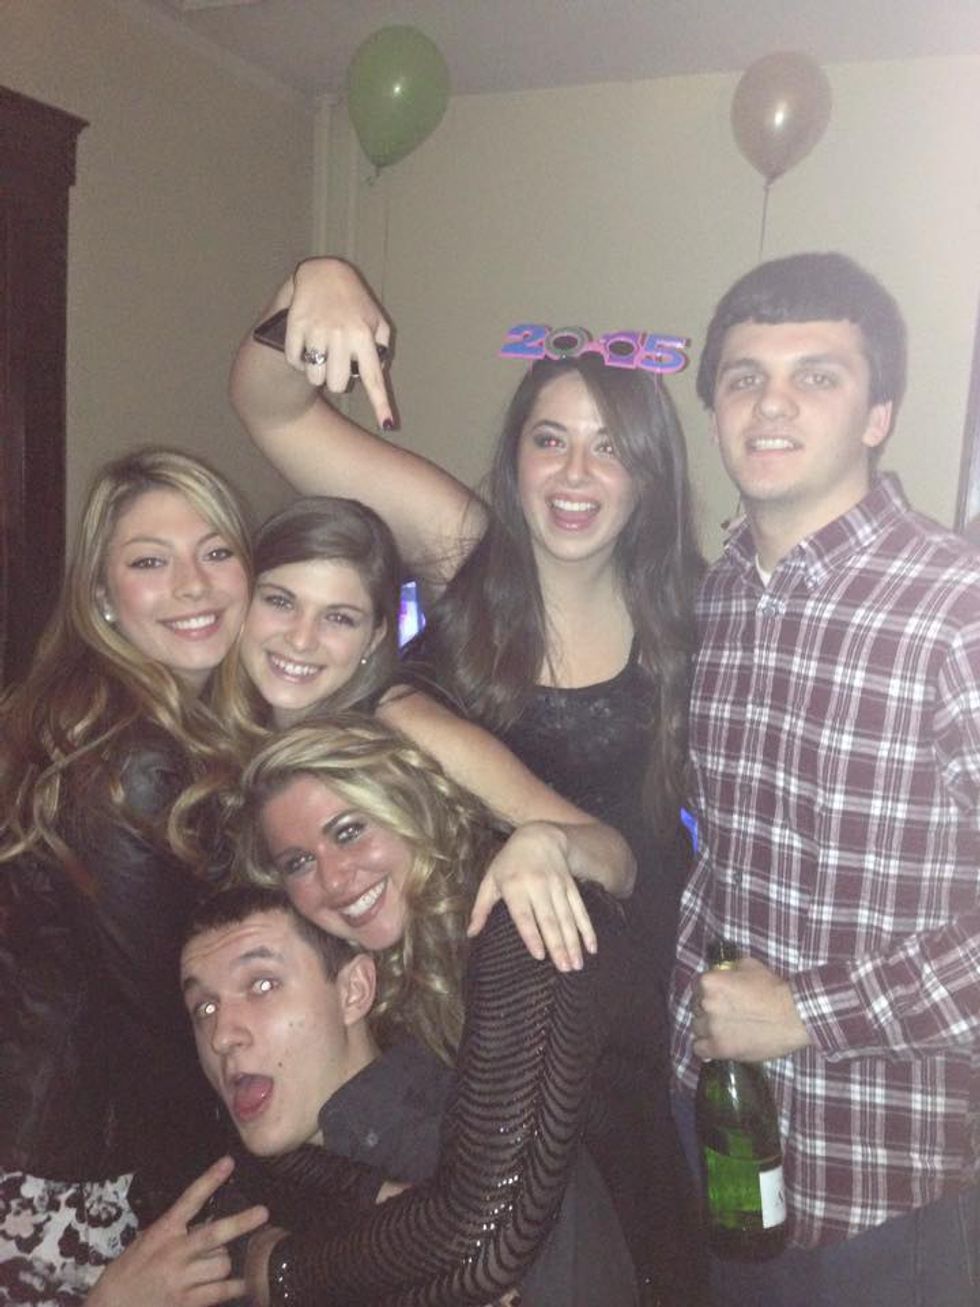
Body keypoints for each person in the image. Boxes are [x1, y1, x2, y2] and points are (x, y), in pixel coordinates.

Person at [229, 259, 706, 1304]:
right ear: (514, 456)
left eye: (609, 447)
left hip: (623, 981)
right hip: (466, 969)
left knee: (615, 1238)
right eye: (549, 438)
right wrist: (311, 286)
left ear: (649, 476)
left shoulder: (687, 618)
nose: (575, 473)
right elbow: (273, 409)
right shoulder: (464, 554)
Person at [670, 251, 980, 1306]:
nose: (771, 403)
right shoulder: (715, 598)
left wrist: (810, 1011)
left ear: (877, 413)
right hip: (715, 1121)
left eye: (817, 375)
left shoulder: (957, 611)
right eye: (744, 376)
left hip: (883, 1181)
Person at [222, 716, 644, 1305]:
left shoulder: (521, 926)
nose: (335, 880)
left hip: (643, 1264)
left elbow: (491, 1238)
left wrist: (279, 1274)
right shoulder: (376, 963)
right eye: (298, 862)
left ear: (409, 804)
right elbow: (279, 1142)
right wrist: (368, 1190)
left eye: (349, 831)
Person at [0, 448, 251, 1303]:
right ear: (101, 595)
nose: (193, 584)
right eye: (150, 560)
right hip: (78, 1178)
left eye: (216, 551)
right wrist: (212, 1205)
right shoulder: (130, 760)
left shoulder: (133, 719)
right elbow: (159, 1024)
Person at [215, 494, 637, 970]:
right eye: (280, 601)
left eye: (339, 617)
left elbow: (617, 858)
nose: (300, 638)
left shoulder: (404, 723)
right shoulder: (216, 735)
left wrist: (546, 842)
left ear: (375, 637)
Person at [171, 882, 636, 1307]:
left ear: (353, 991)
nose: (221, 1036)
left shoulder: (491, 1147)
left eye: (262, 985)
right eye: (204, 1008)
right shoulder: (228, 1210)